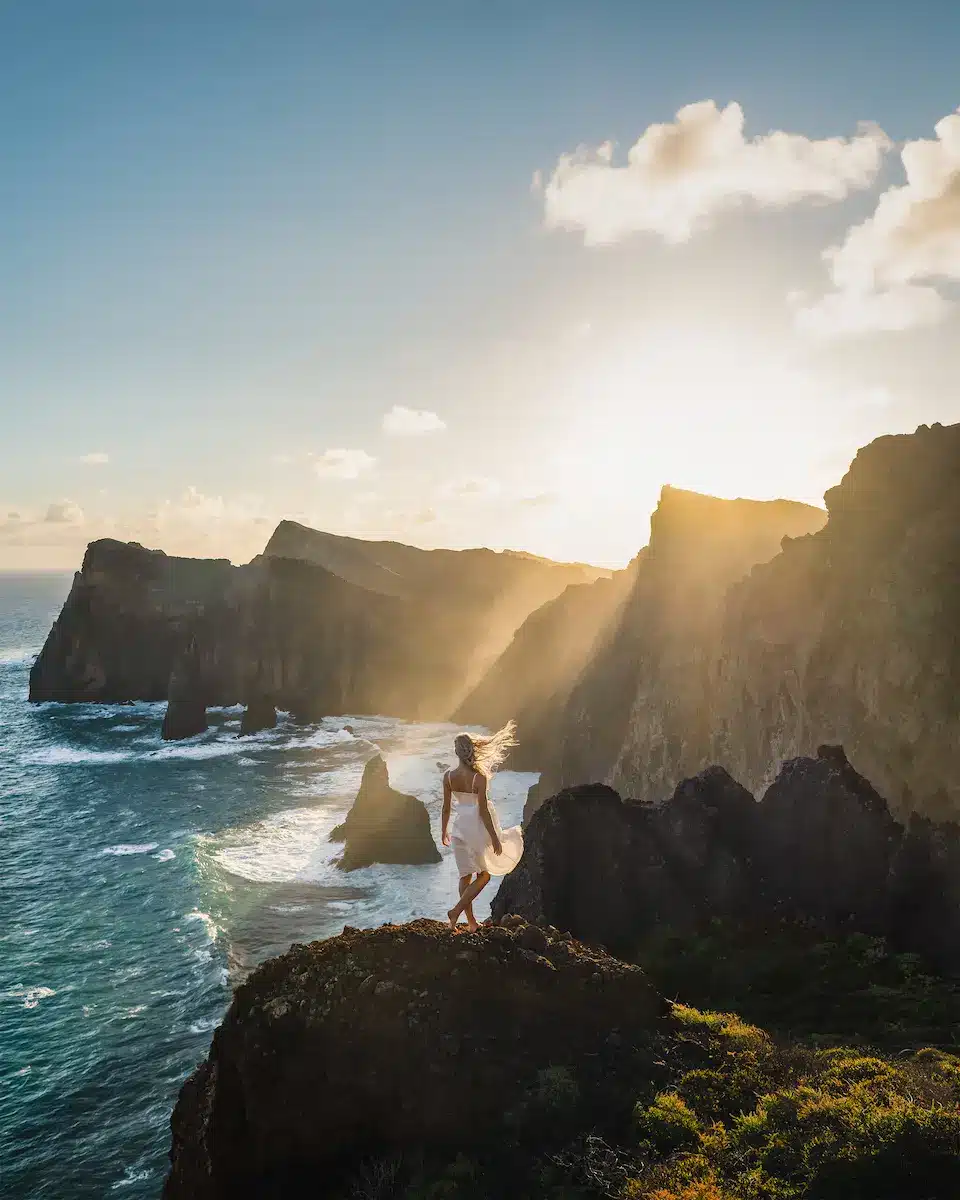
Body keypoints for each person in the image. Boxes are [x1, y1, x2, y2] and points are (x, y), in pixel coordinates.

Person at [441, 721, 524, 931]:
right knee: (484, 875)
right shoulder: (479, 778)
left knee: (465, 876)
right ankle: (457, 912)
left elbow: (446, 808)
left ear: (456, 753)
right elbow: (484, 811)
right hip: (476, 829)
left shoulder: (448, 777)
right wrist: (496, 838)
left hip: (459, 829)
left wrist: (443, 831)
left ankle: (469, 923)